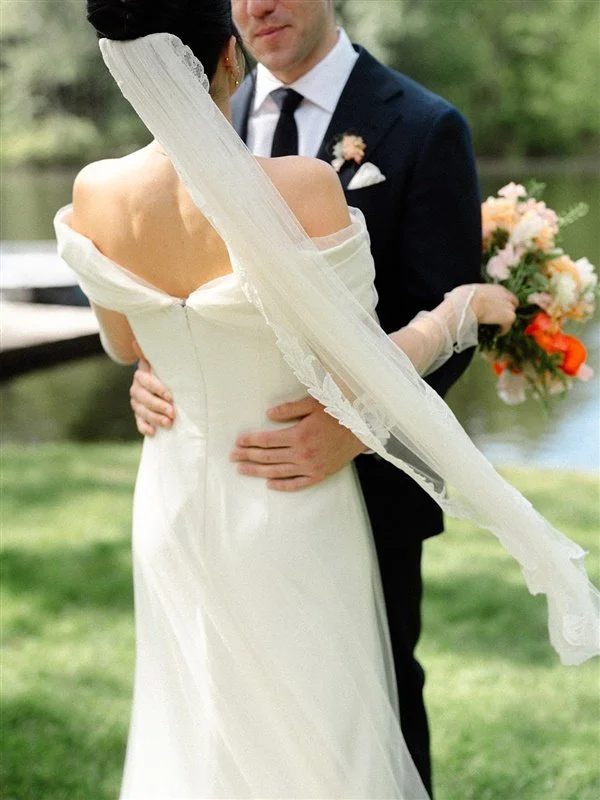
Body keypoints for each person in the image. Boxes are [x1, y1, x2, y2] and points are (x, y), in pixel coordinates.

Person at [55, 2, 600, 798]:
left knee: (208, 728)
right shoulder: (306, 186)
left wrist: (171, 360)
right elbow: (361, 361)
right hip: (291, 512)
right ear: (229, 59)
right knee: (328, 744)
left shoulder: (95, 190)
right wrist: (461, 313)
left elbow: (126, 339)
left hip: (180, 498)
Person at [129, 1, 483, 791]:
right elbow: (166, 280)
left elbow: (448, 301)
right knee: (220, 710)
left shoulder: (425, 126)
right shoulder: (196, 112)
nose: (258, 6)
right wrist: (156, 365)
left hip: (367, 484)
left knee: (369, 713)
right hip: (212, 489)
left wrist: (357, 429)